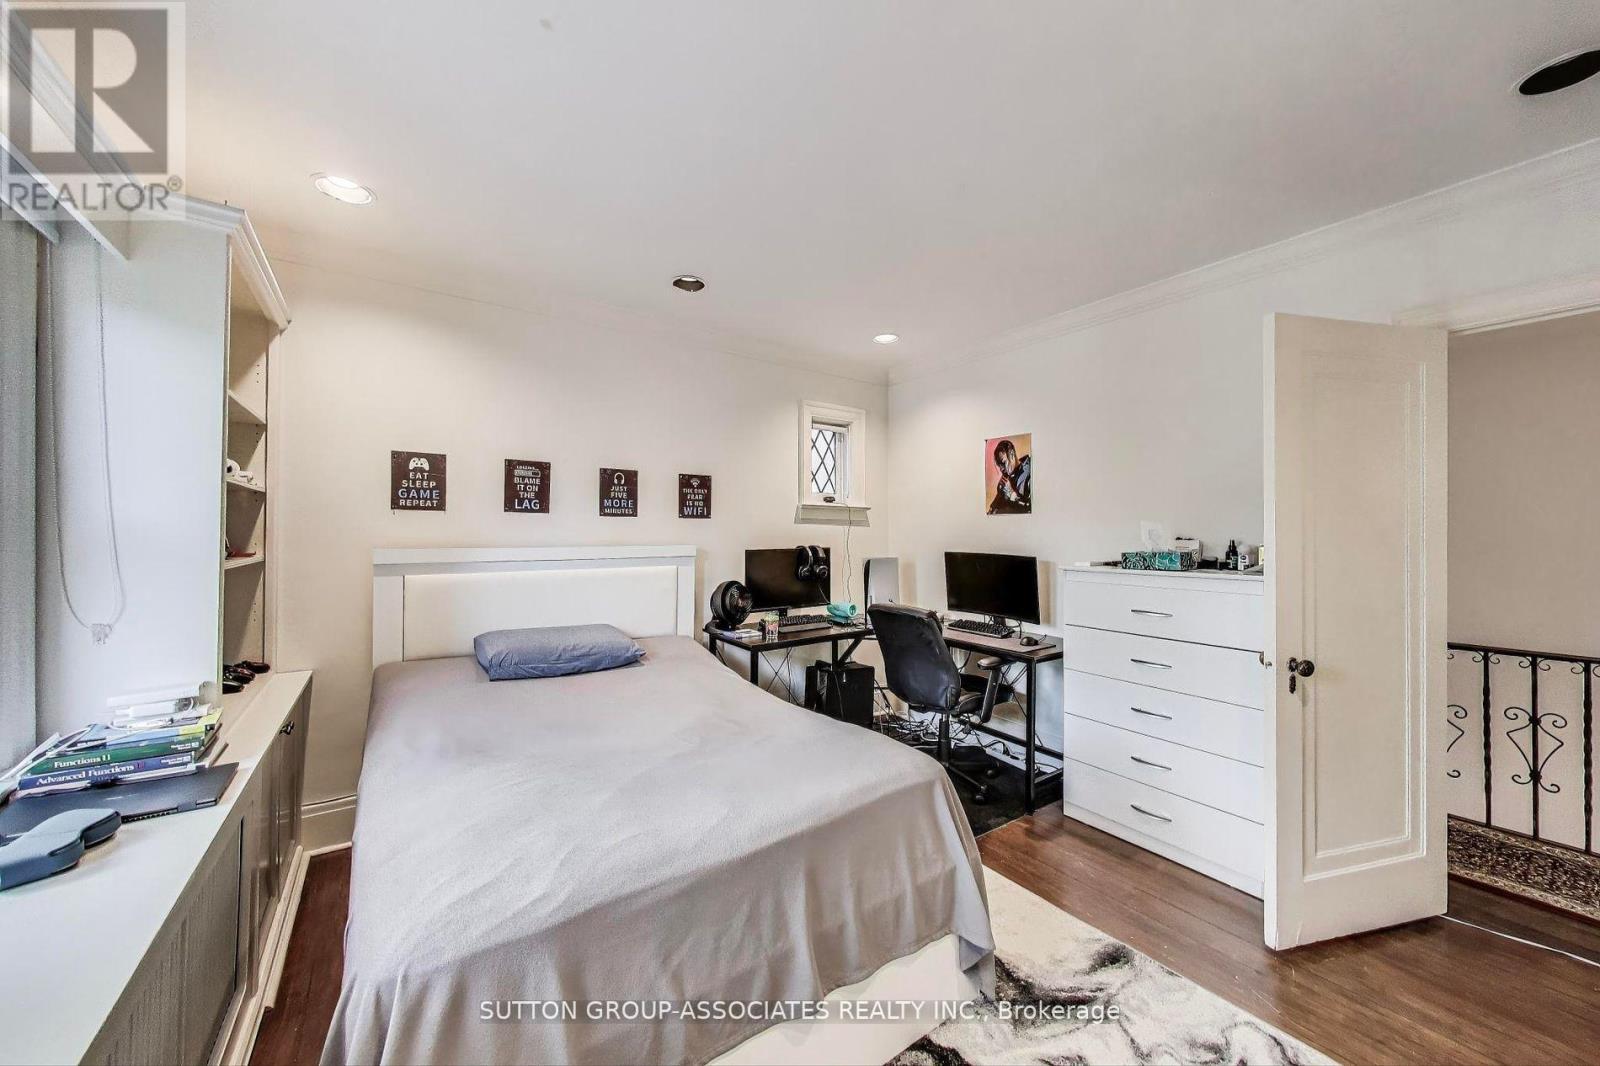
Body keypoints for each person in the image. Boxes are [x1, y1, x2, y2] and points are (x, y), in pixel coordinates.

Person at [988, 439, 1031, 514]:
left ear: (1011, 454)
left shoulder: (1030, 470)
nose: (1001, 469)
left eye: (1003, 463)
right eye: (999, 465)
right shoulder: (1007, 476)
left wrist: (1011, 494)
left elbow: (1031, 508)